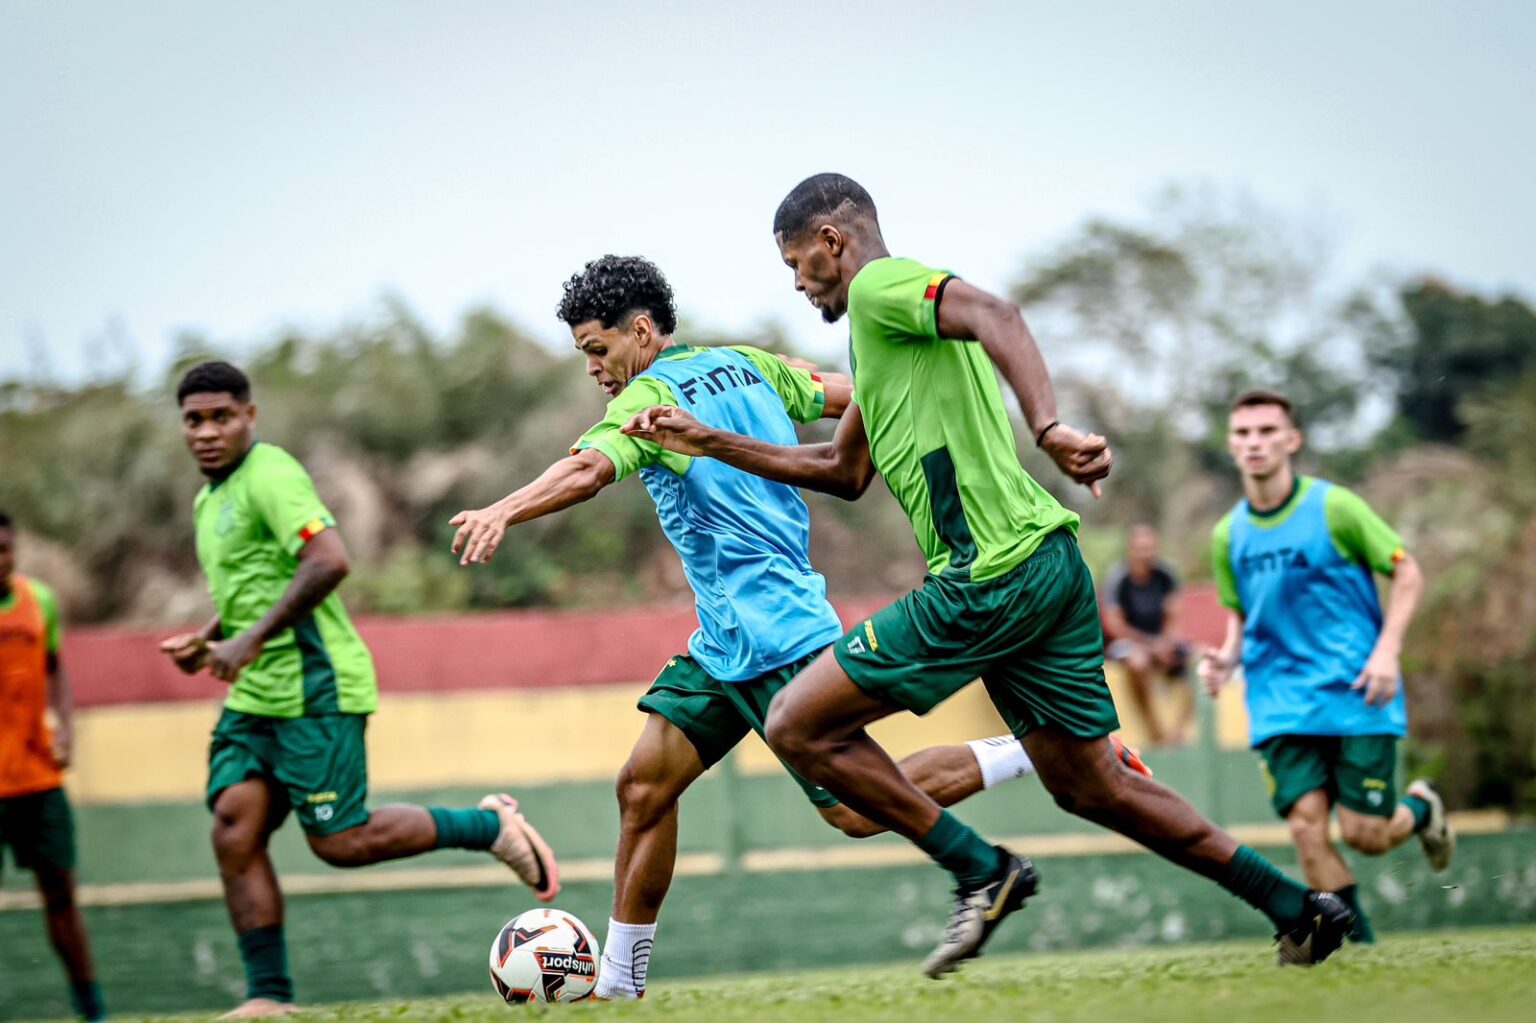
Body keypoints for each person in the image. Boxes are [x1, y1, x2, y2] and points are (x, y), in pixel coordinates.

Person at [622, 173, 1354, 977]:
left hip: (986, 577)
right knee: (1091, 785)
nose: (798, 283)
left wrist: (1049, 427)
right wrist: (710, 440)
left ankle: (981, 869)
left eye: (797, 263)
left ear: (832, 241)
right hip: (1051, 565)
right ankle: (1298, 908)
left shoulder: (879, 288)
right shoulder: (879, 342)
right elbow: (841, 469)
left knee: (796, 722)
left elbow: (997, 313)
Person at [447, 255, 1149, 1001]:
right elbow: (858, 390)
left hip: (776, 633)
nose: (593, 367)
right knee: (644, 786)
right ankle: (619, 988)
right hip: (724, 643)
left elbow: (589, 469)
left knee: (853, 809)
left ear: (641, 332)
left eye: (597, 348)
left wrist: (502, 509)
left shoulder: (649, 398)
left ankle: (1035, 752)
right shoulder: (749, 365)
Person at [160, 362, 557, 1020]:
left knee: (340, 841)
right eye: (194, 420)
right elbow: (256, 584)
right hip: (256, 697)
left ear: (249, 417)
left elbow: (329, 561)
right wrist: (210, 637)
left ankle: (489, 826)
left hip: (315, 687)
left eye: (221, 417)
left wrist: (248, 639)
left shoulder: (270, 474)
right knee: (233, 826)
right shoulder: (210, 500)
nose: (207, 431)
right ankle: (269, 997)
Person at [1198, 389, 1452, 944]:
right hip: (1279, 698)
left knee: (1366, 834)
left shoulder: (1335, 508)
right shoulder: (1227, 534)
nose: (1254, 443)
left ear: (1292, 440)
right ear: (1231, 445)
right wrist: (1225, 658)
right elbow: (1241, 615)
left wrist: (1387, 651)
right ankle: (1357, 950)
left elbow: (1407, 573)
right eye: (1243, 433)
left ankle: (1420, 807)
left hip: (1357, 689)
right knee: (1306, 827)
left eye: (1267, 431)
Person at [0, 511, 106, 1021]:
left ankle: (92, 1010)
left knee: (61, 896)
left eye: (4, 549)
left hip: (38, 778)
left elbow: (56, 671)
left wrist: (65, 726)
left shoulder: (38, 601)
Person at [1102, 524, 1192, 746]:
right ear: (1130, 550)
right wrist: (1151, 645)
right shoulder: (1118, 577)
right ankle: (1156, 733)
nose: (1146, 554)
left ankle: (1179, 732)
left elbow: (1173, 615)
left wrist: (1165, 643)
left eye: (1150, 548)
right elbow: (1116, 625)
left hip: (1160, 641)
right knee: (1138, 662)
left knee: (1195, 658)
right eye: (1141, 549)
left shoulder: (1166, 574)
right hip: (1127, 643)